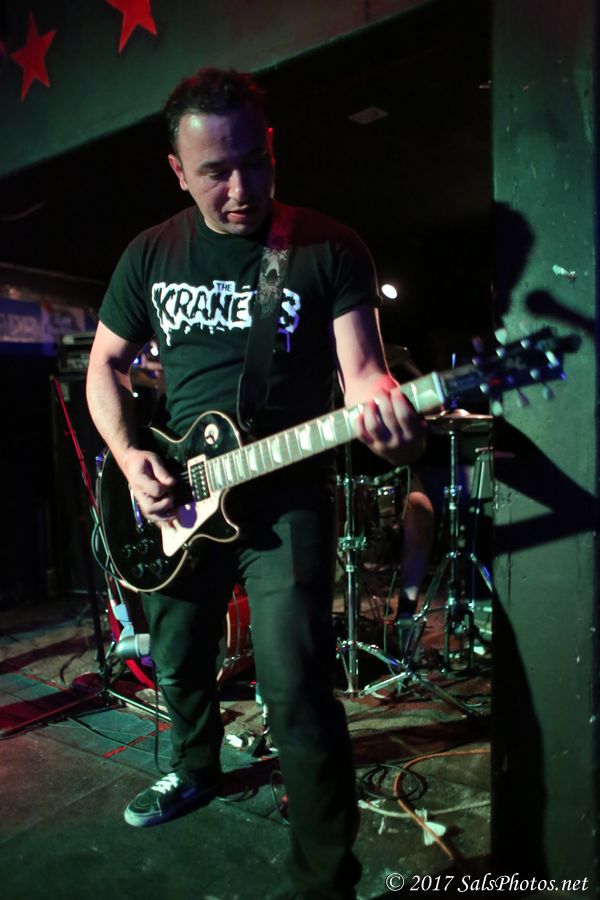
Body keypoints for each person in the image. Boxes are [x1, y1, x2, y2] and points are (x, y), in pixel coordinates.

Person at [86, 67, 424, 900]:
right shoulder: (150, 253)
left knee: (297, 686)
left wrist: (387, 413)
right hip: (177, 498)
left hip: (285, 498)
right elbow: (105, 366)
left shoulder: (328, 248)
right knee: (177, 658)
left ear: (271, 146)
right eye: (215, 172)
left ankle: (323, 879)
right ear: (178, 170)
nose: (240, 190)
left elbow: (364, 375)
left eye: (254, 163)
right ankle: (195, 767)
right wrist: (130, 459)